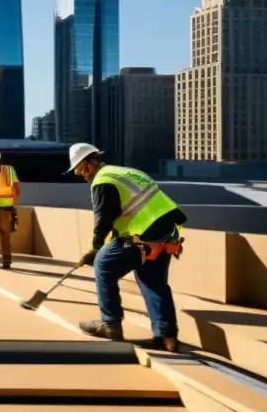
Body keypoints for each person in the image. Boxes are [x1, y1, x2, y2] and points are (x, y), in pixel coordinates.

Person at [67, 142, 187, 353]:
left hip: (143, 232)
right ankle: (167, 337)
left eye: (80, 168)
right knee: (153, 280)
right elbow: (122, 214)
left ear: (91, 162)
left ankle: (110, 325)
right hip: (167, 232)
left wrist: (95, 250)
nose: (80, 174)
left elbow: (103, 218)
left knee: (103, 265)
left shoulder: (102, 180)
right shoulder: (124, 173)